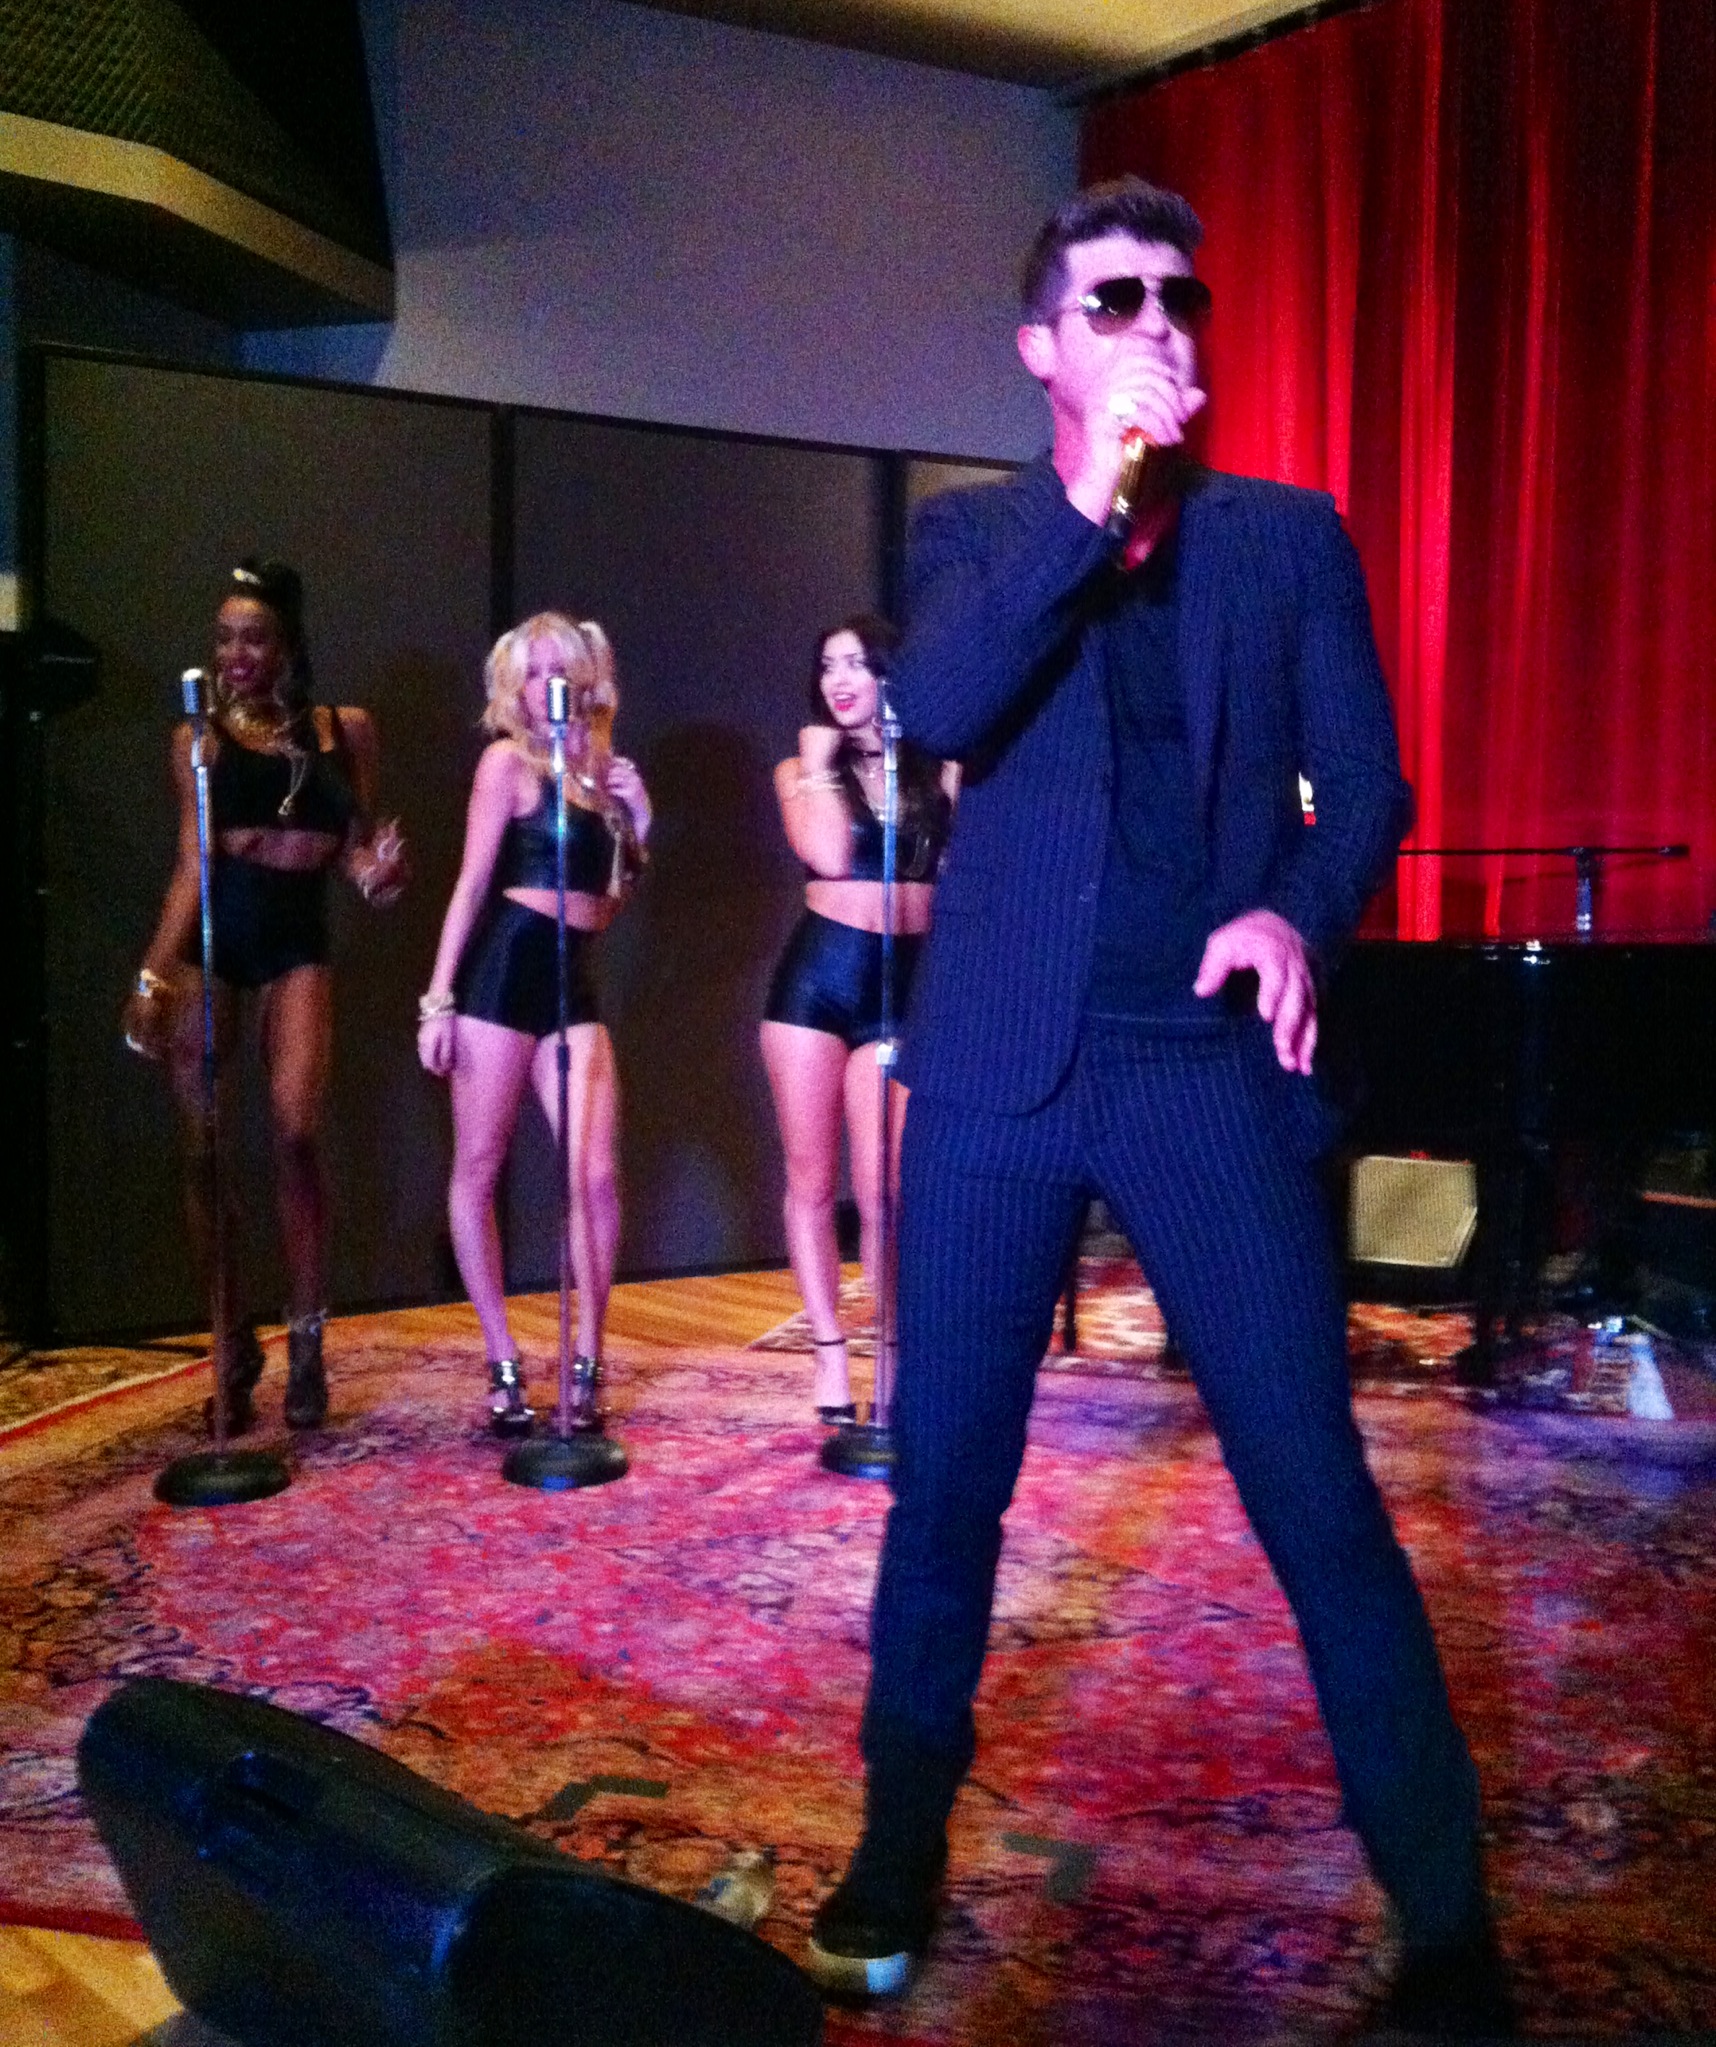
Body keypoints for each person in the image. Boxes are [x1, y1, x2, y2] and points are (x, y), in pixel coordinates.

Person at [805, 179, 1510, 2036]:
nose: (1157, 325)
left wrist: (1294, 908)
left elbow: (1365, 781)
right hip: (995, 1071)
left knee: (1316, 1491)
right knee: (947, 1483)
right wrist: (1093, 500)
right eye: (1112, 301)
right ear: (1042, 346)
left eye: (1178, 299)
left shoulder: (1284, 538)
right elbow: (943, 709)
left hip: (1198, 1066)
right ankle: (898, 1837)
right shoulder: (972, 534)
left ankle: (1446, 1919)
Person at [122, 559, 409, 1432]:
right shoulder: (198, 740)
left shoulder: (343, 730)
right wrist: (153, 974)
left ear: (286, 644)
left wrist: (377, 876)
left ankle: (308, 1332)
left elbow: (358, 850)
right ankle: (230, 1342)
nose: (235, 654)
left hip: (297, 942)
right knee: (205, 1149)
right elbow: (192, 865)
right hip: (217, 941)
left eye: (253, 638)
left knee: (296, 1130)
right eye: (224, 639)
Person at [416, 614, 650, 1434]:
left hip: (572, 976)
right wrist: (439, 997)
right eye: (535, 672)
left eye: (563, 669)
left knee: (595, 1172)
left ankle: (587, 1358)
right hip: (505, 970)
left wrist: (639, 820)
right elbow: (471, 883)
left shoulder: (600, 773)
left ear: (586, 680)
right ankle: (502, 1359)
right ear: (514, 689)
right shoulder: (506, 765)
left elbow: (608, 904)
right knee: (479, 1165)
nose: (550, 684)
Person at [760, 616, 955, 1423]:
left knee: (888, 1188)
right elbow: (831, 856)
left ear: (887, 674)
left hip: (904, 988)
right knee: (812, 1179)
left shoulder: (937, 770)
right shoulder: (800, 769)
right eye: (827, 665)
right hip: (817, 986)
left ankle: (895, 1351)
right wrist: (815, 767)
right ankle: (831, 1355)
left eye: (855, 664)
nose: (839, 679)